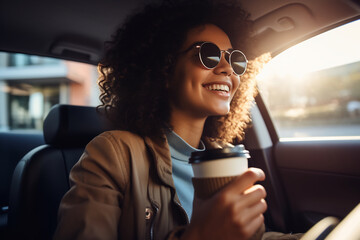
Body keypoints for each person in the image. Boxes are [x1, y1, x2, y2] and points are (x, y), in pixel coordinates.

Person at [53, 0, 297, 239]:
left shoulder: (225, 154)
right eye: (208, 55)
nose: (227, 68)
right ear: (164, 69)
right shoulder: (115, 153)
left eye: (235, 60)